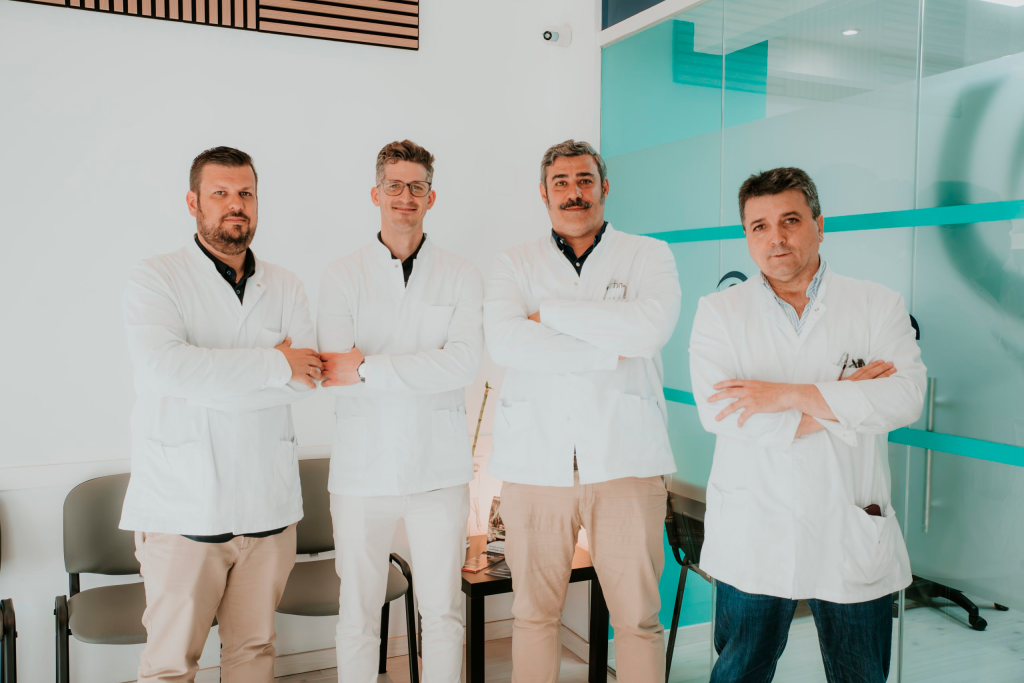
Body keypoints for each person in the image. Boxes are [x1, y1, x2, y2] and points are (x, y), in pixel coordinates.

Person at [689, 167, 927, 683]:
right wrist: (847, 397)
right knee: (739, 672)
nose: (776, 237)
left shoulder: (876, 303)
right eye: (759, 226)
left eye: (791, 220)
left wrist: (784, 395)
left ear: (820, 225)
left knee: (860, 674)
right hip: (754, 529)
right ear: (747, 236)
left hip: (848, 524)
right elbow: (723, 414)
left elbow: (905, 399)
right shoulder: (720, 313)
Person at [120, 146, 322, 682]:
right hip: (183, 507)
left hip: (267, 506)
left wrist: (210, 378)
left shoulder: (286, 284)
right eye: (221, 193)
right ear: (193, 202)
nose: (237, 204)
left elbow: (306, 379)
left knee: (253, 651)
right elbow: (167, 370)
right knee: (169, 665)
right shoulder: (155, 278)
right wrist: (275, 362)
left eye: (246, 193)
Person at [483, 139, 681, 683]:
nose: (575, 193)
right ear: (543, 192)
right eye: (562, 182)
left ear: (604, 187)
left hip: (626, 463)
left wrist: (547, 315)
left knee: (638, 620)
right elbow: (506, 342)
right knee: (533, 616)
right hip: (535, 466)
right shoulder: (513, 262)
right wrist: (607, 346)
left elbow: (648, 331)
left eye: (585, 180)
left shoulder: (649, 255)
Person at [317, 140, 483, 683]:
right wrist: (417, 366)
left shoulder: (460, 273)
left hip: (439, 471)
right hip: (361, 474)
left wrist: (368, 367)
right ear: (376, 193)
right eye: (394, 185)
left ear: (431, 197)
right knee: (358, 615)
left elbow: (462, 365)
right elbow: (335, 374)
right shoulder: (343, 274)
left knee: (442, 613)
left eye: (417, 186)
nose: (405, 196)